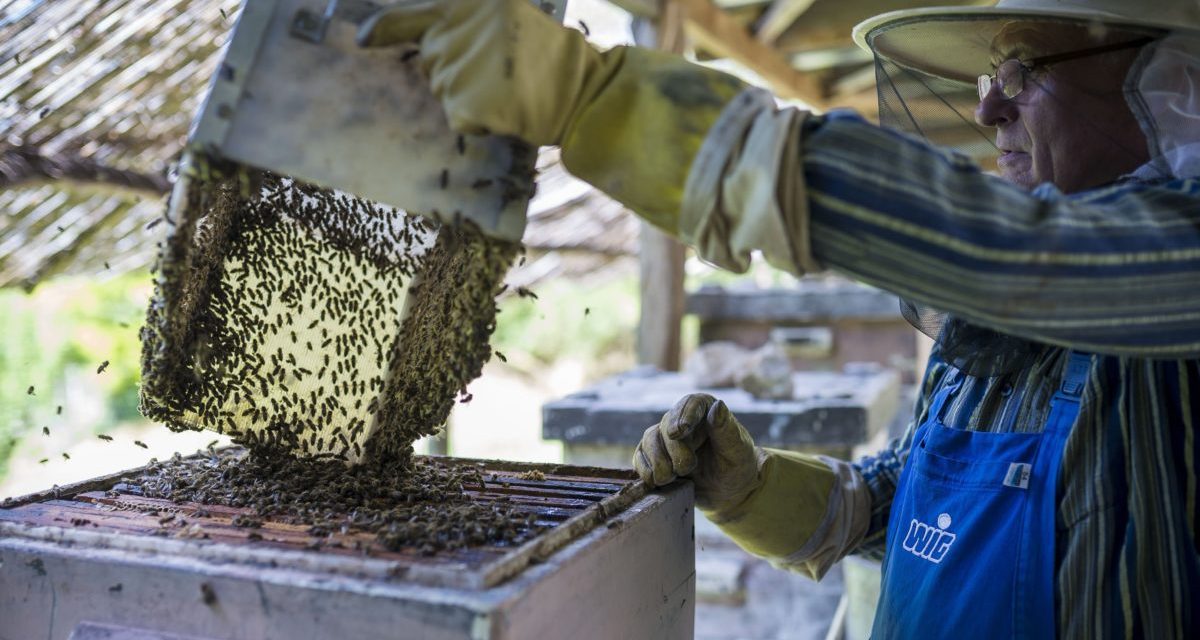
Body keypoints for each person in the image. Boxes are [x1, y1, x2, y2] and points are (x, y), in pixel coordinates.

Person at [358, 0, 1200, 636]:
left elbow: (1004, 253)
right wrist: (759, 491)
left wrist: (602, 106)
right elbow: (904, 497)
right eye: (990, 81)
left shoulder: (1171, 277)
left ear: (1174, 83)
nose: (987, 113)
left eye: (1022, 75)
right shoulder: (994, 327)